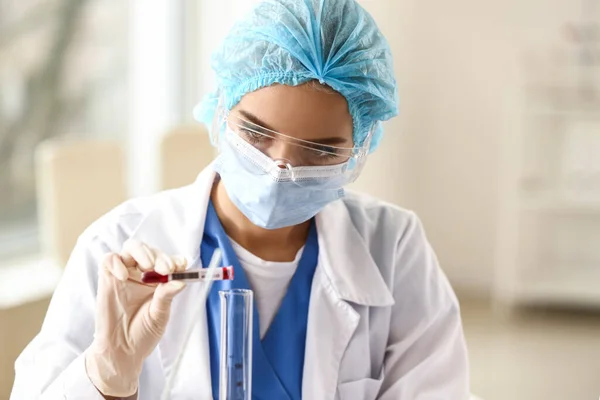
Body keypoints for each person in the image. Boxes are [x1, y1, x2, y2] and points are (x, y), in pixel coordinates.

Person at [11, 0, 470, 399]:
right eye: (255, 132)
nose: (279, 170)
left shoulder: (393, 248)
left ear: (361, 146)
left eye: (320, 150)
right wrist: (107, 377)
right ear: (220, 107)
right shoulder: (114, 245)